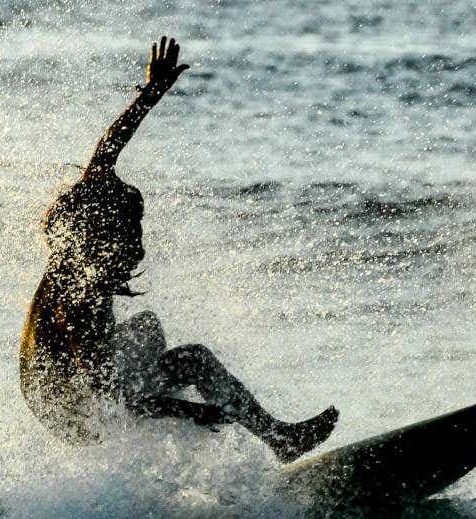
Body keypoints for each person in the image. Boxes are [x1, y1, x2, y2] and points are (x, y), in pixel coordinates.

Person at [19, 37, 339, 462]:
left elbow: (107, 151)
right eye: (130, 232)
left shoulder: (84, 243)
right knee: (192, 361)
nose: (138, 242)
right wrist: (191, 411)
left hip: (87, 384)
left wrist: (151, 93)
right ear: (103, 233)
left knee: (148, 330)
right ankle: (277, 439)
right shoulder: (81, 297)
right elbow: (112, 401)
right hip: (71, 413)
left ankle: (262, 439)